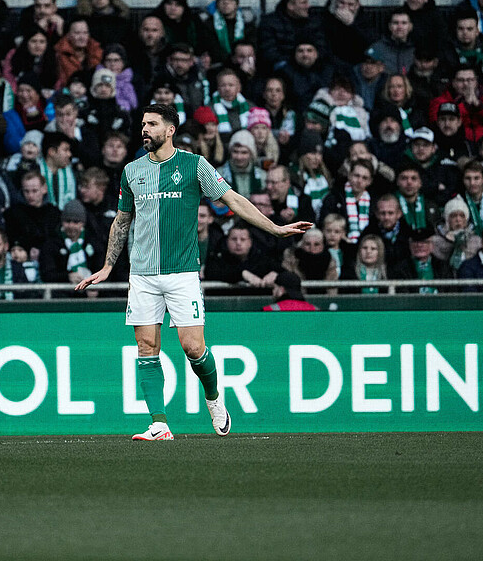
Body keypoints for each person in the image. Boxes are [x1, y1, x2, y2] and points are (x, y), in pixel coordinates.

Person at [75, 103, 310, 441]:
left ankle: (214, 399)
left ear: (169, 130)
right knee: (145, 346)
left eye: (152, 124)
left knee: (192, 347)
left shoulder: (194, 165)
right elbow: (122, 220)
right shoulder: (132, 171)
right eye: (143, 124)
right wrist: (108, 265)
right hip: (142, 274)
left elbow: (233, 200)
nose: (145, 129)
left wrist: (274, 228)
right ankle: (159, 423)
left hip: (182, 273)